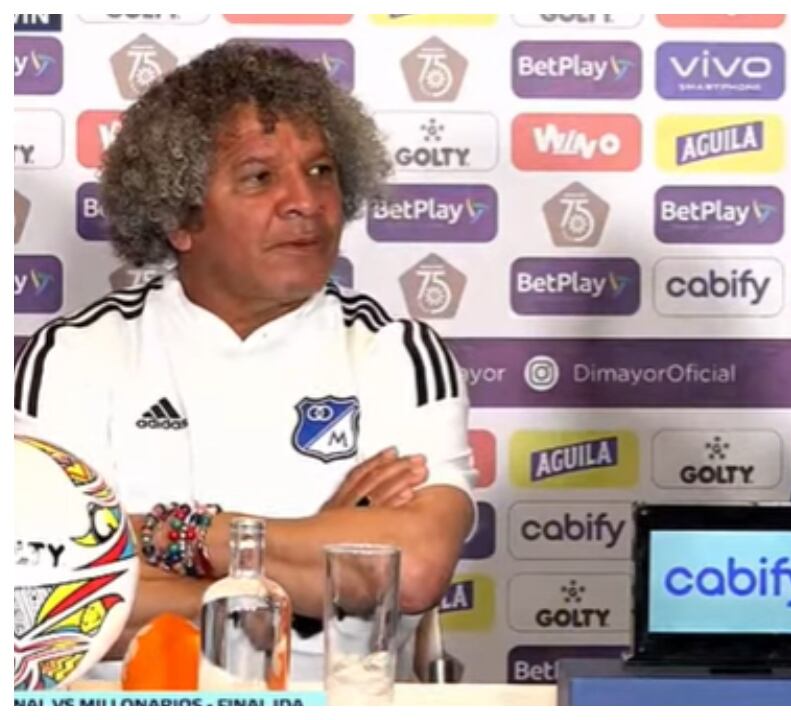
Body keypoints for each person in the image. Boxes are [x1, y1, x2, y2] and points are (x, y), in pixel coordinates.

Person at [13, 42, 477, 681]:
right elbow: (46, 600)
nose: (305, 203)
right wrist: (316, 562)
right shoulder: (74, 354)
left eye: (321, 172)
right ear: (180, 217)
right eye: (260, 177)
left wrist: (173, 536)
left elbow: (415, 570)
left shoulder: (397, 352)